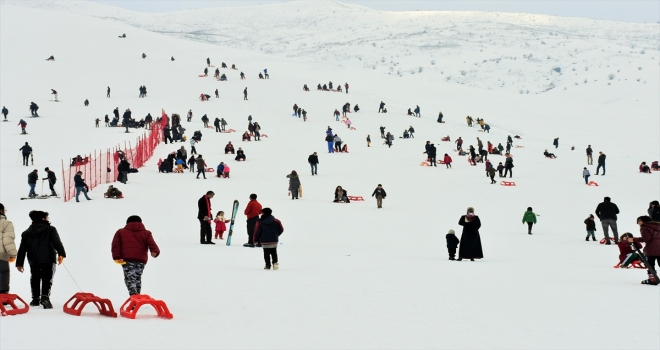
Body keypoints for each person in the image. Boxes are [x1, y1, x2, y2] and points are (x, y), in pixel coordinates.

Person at [16, 210, 66, 309]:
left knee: (35, 277)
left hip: (33, 260)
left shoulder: (26, 233)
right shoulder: (50, 229)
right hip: (48, 259)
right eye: (47, 217)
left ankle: (35, 299)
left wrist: (19, 263)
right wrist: (61, 253)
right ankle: (45, 298)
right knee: (47, 277)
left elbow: (22, 248)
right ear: (43, 218)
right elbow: (57, 242)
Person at [111, 215, 160, 295]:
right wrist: (155, 251)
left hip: (127, 259)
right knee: (137, 278)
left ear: (127, 223)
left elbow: (116, 245)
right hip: (141, 260)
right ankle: (137, 296)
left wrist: (117, 257)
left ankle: (134, 296)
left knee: (130, 278)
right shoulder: (146, 233)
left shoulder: (121, 232)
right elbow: (152, 244)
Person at [626, 216, 660, 284]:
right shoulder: (658, 225)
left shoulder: (644, 227)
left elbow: (646, 238)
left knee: (650, 264)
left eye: (640, 221)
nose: (639, 223)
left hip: (652, 249)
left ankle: (652, 279)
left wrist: (633, 239)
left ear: (644, 221)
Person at [0, 203, 17, 295]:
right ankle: (3, 295)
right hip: (1, 254)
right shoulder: (6, 223)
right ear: (1, 211)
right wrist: (12, 254)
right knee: (3, 272)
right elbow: (7, 239)